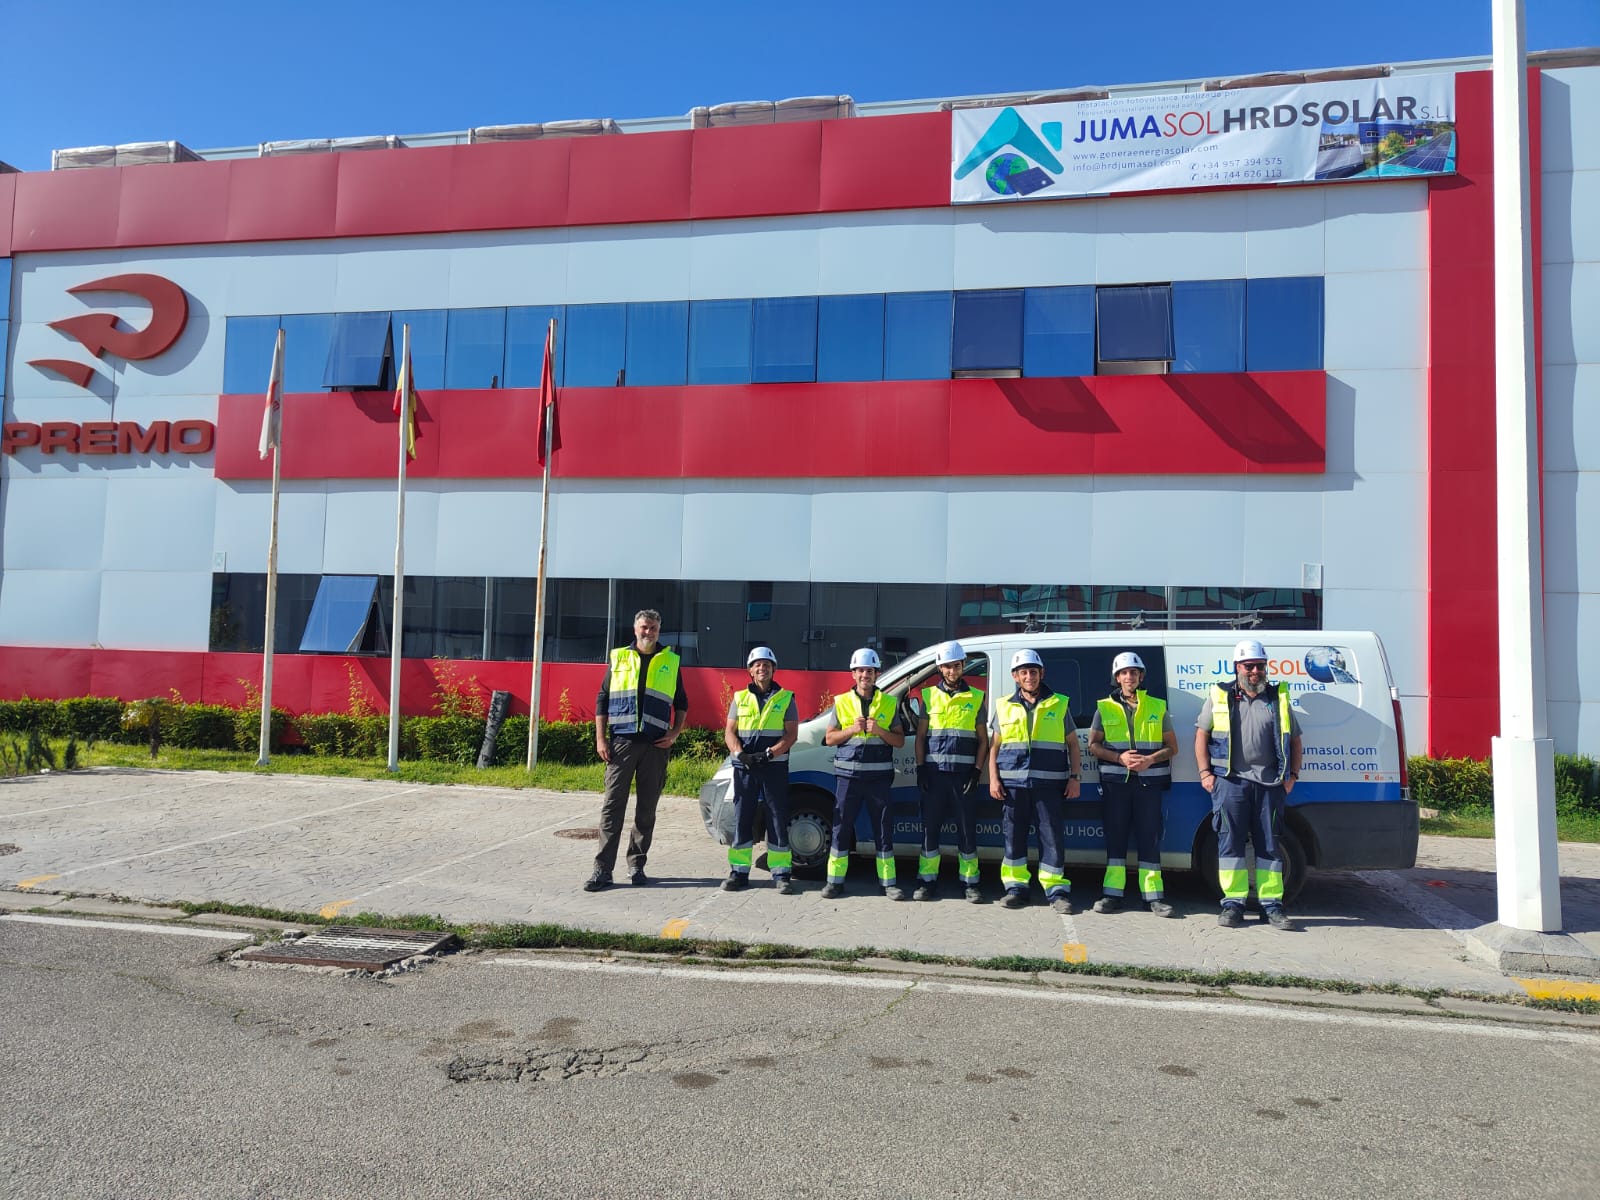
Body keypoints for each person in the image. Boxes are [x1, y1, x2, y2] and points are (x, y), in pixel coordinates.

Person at [1193, 638, 1304, 930]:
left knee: (1270, 846)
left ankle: (1272, 905)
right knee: (1230, 846)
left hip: (1270, 785)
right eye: (1249, 665)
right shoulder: (1220, 696)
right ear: (1237, 667)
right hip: (1231, 783)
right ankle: (1233, 903)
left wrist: (1293, 776)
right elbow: (1201, 736)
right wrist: (1205, 773)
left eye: (1260, 665)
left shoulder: (1277, 698)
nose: (1255, 671)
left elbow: (1295, 739)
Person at [584, 609, 688, 892]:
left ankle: (636, 864)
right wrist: (601, 739)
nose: (648, 632)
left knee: (646, 810)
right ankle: (602, 871)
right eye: (644, 627)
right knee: (612, 809)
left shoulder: (670, 661)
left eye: (653, 627)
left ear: (658, 629)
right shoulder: (619, 658)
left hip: (655, 747)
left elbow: (681, 703)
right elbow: (602, 700)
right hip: (622, 744)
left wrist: (675, 733)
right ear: (635, 629)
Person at [988, 648, 1081, 912]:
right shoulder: (1004, 706)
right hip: (1012, 786)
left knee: (1051, 837)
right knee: (1013, 837)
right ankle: (1016, 888)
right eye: (1023, 672)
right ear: (1015, 676)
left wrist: (1074, 777)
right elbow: (994, 747)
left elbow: (1073, 745)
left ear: (1042, 674)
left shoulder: (1059, 703)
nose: (1029, 676)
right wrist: (994, 779)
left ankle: (1056, 890)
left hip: (1049, 785)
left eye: (1033, 671)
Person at [1087, 651, 1178, 917]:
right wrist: (1119, 757)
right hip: (1116, 784)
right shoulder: (1103, 707)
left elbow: (1172, 747)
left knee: (1149, 838)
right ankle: (1112, 895)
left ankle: (1153, 897)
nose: (1129, 677)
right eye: (1124, 673)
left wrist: (1150, 759)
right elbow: (1093, 745)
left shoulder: (1157, 706)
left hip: (1148, 785)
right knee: (1116, 839)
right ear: (1117, 678)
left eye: (1134, 672)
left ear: (1141, 677)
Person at [820, 647, 910, 900]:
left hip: (879, 779)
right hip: (847, 778)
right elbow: (829, 738)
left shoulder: (890, 702)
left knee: (883, 829)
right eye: (860, 671)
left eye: (869, 671)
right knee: (841, 829)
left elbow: (899, 741)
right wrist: (850, 729)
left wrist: (880, 730)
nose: (865, 675)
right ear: (853, 674)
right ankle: (834, 882)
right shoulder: (842, 702)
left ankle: (888, 883)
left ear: (876, 674)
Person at [911, 640, 988, 903]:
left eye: (956, 666)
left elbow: (983, 740)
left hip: (963, 776)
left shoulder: (976, 697)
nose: (952, 671)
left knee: (966, 831)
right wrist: (920, 768)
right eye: (947, 667)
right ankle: (927, 881)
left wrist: (977, 771)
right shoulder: (929, 696)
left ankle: (970, 883)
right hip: (934, 776)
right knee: (930, 829)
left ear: (963, 666)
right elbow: (920, 737)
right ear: (940, 668)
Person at [721, 646, 800, 894]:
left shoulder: (786, 698)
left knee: (777, 817)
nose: (762, 668)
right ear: (750, 670)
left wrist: (769, 753)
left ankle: (781, 873)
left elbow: (791, 734)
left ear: (773, 669)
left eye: (767, 664)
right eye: (757, 664)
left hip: (773, 767)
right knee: (743, 817)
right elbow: (729, 732)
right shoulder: (739, 698)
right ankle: (739, 872)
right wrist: (740, 754)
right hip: (744, 767)